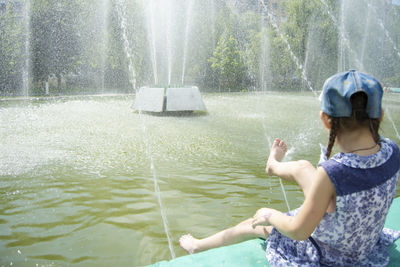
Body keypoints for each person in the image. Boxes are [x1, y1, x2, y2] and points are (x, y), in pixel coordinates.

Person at [179, 70, 400, 266]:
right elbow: (358, 181)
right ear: (379, 114)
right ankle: (273, 165)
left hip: (330, 255)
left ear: (325, 119)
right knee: (303, 166)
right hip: (363, 243)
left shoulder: (331, 173)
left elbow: (298, 231)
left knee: (252, 225)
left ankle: (197, 245)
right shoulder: (392, 151)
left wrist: (270, 214)